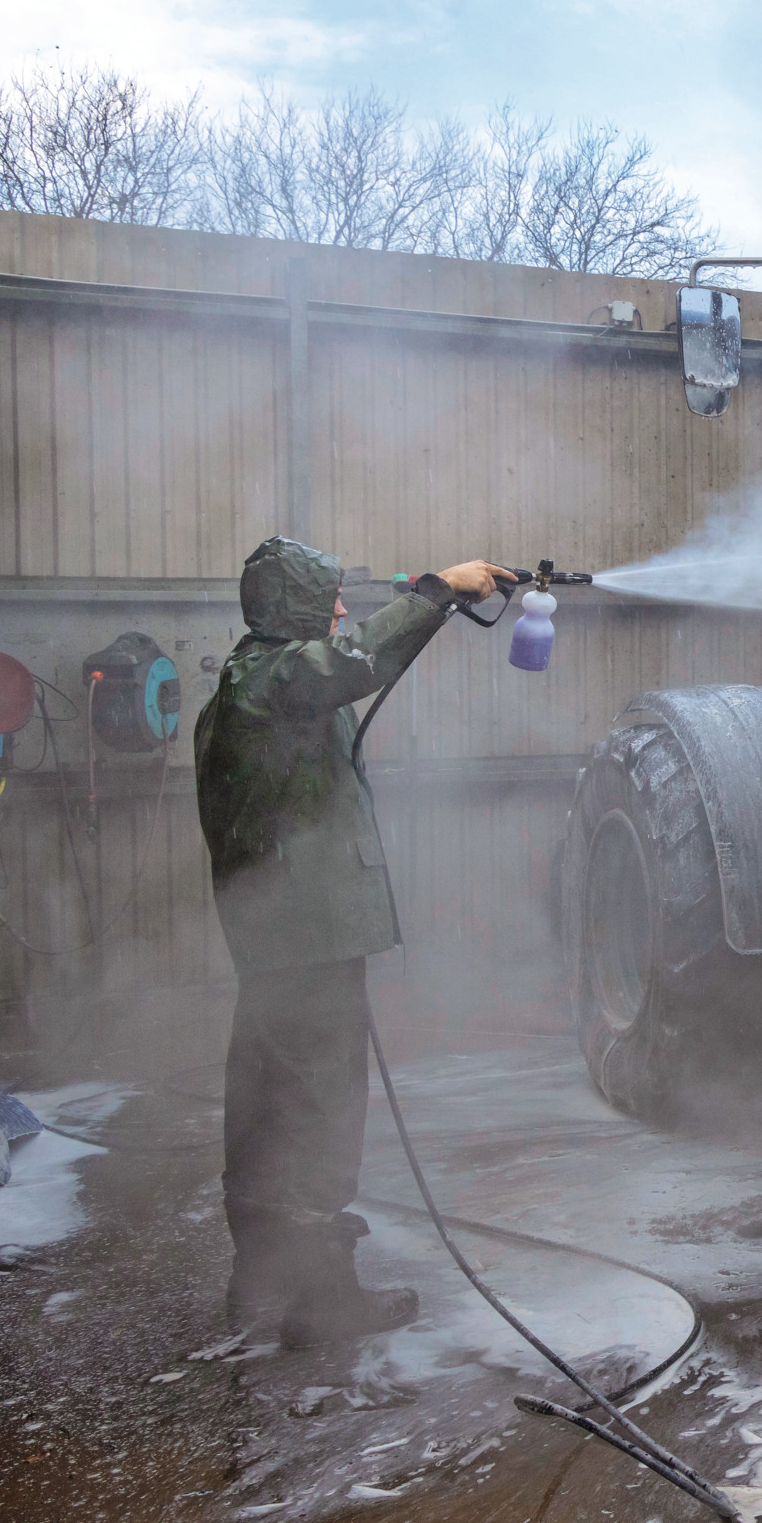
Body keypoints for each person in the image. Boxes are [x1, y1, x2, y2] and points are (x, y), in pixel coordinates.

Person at [194, 537, 513, 1344]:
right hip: (303, 942)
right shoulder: (271, 678)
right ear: (294, 607)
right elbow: (357, 659)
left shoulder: (256, 685)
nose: (340, 610)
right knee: (316, 1112)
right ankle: (321, 1305)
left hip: (286, 940)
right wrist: (441, 588)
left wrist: (438, 604)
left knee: (269, 1107)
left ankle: (262, 1283)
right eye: (328, 598)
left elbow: (355, 661)